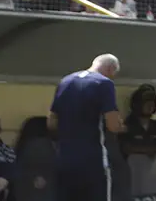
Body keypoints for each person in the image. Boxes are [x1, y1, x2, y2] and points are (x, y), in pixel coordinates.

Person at [48, 53, 124, 201]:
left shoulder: (65, 82)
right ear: (109, 69)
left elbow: (51, 122)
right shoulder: (104, 83)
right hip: (92, 161)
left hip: (64, 159)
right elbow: (113, 125)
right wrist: (122, 127)